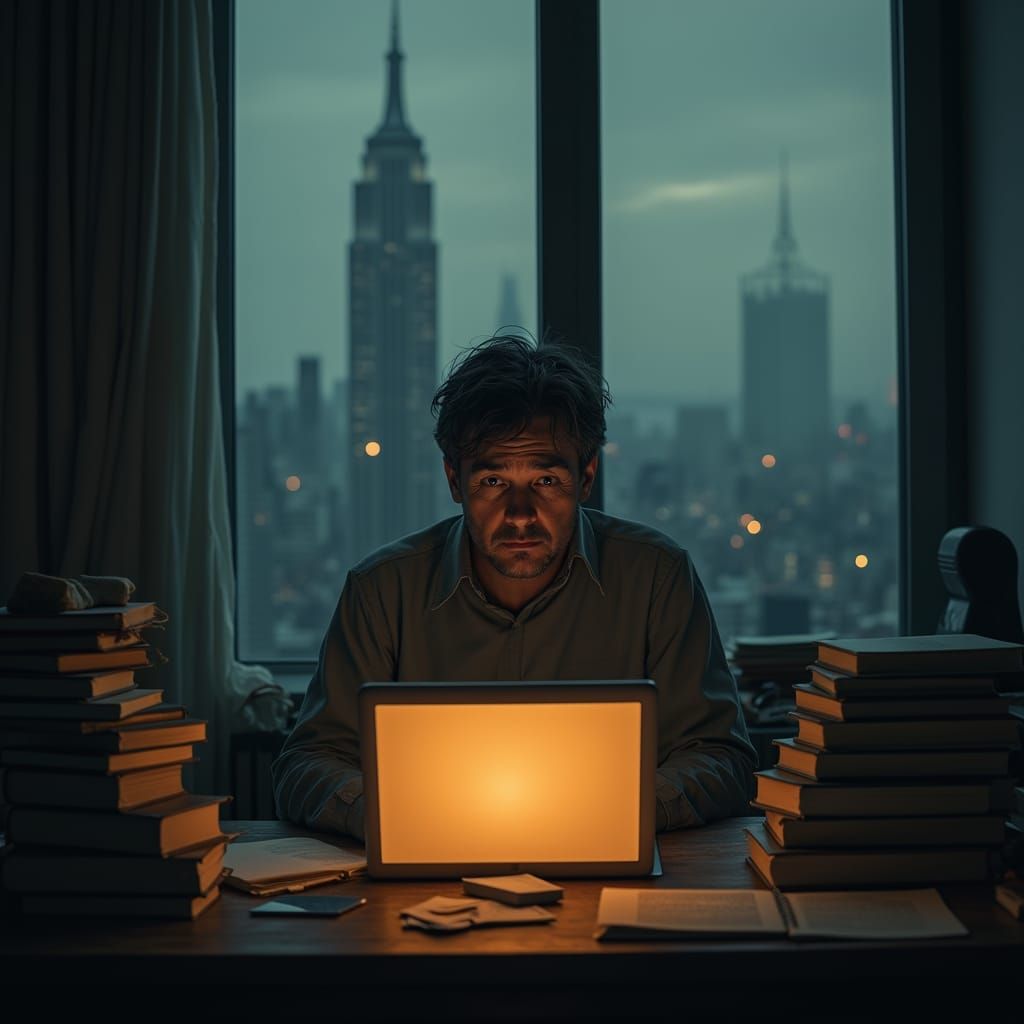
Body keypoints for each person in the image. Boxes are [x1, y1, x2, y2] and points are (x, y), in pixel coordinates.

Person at [272, 335, 756, 840]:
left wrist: (612, 812)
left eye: (546, 482)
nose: (521, 515)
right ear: (455, 481)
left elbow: (720, 755)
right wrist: (402, 817)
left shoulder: (656, 576)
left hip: (610, 872)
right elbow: (308, 763)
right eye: (493, 483)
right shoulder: (382, 590)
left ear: (586, 476)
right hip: (429, 877)